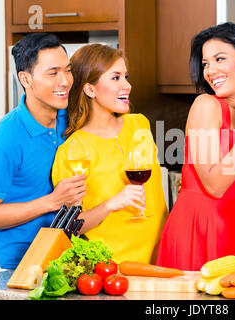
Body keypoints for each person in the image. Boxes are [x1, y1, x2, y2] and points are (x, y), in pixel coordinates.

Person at [157, 23, 235, 270]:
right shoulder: (206, 106)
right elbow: (214, 184)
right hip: (201, 228)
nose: (210, 70)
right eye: (206, 63)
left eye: (220, 59)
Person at [0, 33, 86, 271]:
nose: (64, 81)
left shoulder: (70, 120)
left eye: (68, 70)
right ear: (26, 79)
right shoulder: (2, 141)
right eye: (53, 73)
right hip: (13, 265)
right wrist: (53, 201)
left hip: (61, 257)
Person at [51, 43, 167, 264]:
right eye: (115, 78)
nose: (127, 85)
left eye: (126, 76)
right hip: (112, 269)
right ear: (90, 89)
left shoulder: (140, 124)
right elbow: (71, 226)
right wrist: (113, 203)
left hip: (162, 258)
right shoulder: (73, 149)